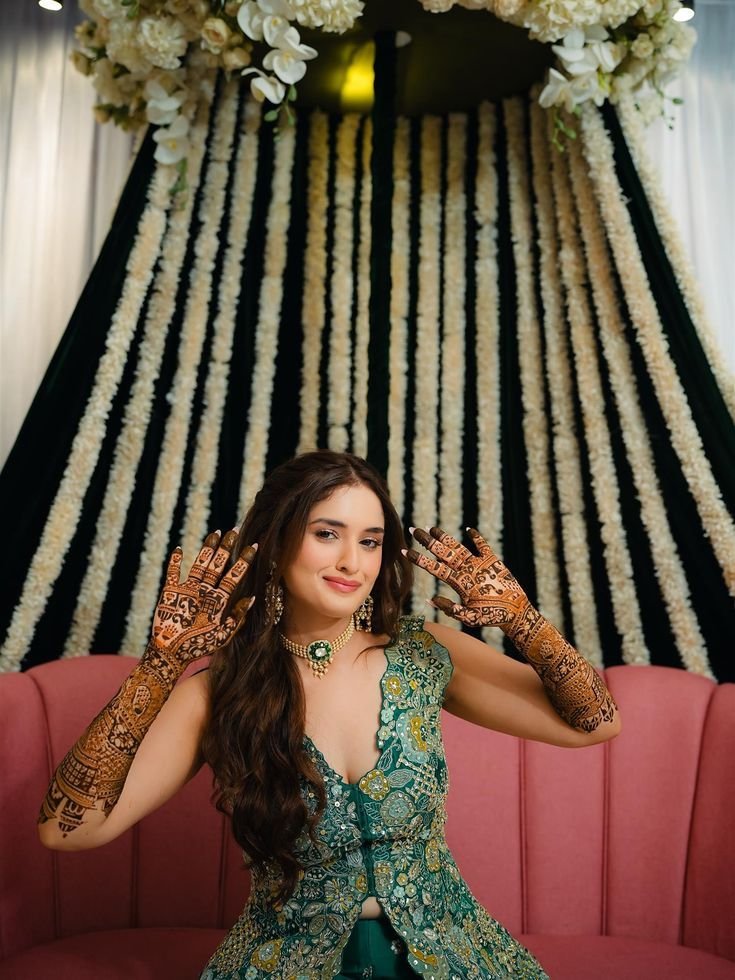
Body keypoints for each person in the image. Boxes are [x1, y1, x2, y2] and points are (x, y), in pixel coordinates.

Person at [38, 449, 621, 979]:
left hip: (453, 956)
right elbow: (69, 829)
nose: (351, 561)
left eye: (369, 541)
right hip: (284, 964)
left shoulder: (424, 654)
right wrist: (159, 666)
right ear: (276, 541)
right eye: (327, 533)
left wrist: (523, 620)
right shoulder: (219, 694)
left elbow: (595, 724)